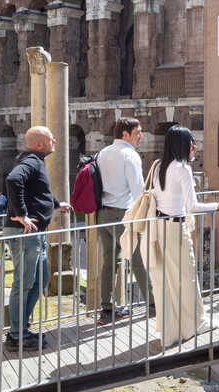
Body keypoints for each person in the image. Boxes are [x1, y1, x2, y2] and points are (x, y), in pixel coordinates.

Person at [148, 125, 219, 347]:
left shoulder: (158, 165)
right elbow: (193, 206)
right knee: (187, 277)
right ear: (181, 144)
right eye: (191, 143)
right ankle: (194, 327)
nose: (195, 147)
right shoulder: (182, 168)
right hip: (174, 229)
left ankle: (170, 332)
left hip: (159, 228)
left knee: (166, 281)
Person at [4, 126, 71, 351]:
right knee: (22, 284)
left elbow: (39, 190)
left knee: (41, 279)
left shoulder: (34, 160)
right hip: (24, 233)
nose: (55, 140)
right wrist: (21, 214)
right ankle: (17, 335)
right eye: (50, 138)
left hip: (35, 232)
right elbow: (13, 181)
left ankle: (20, 326)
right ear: (39, 144)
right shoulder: (31, 161)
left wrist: (56, 204)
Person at [95, 117, 155, 324]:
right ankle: (153, 306)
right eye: (138, 132)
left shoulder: (102, 153)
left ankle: (107, 310)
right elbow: (139, 191)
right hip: (124, 215)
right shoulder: (129, 155)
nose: (141, 136)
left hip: (103, 214)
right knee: (139, 260)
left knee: (109, 262)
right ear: (125, 134)